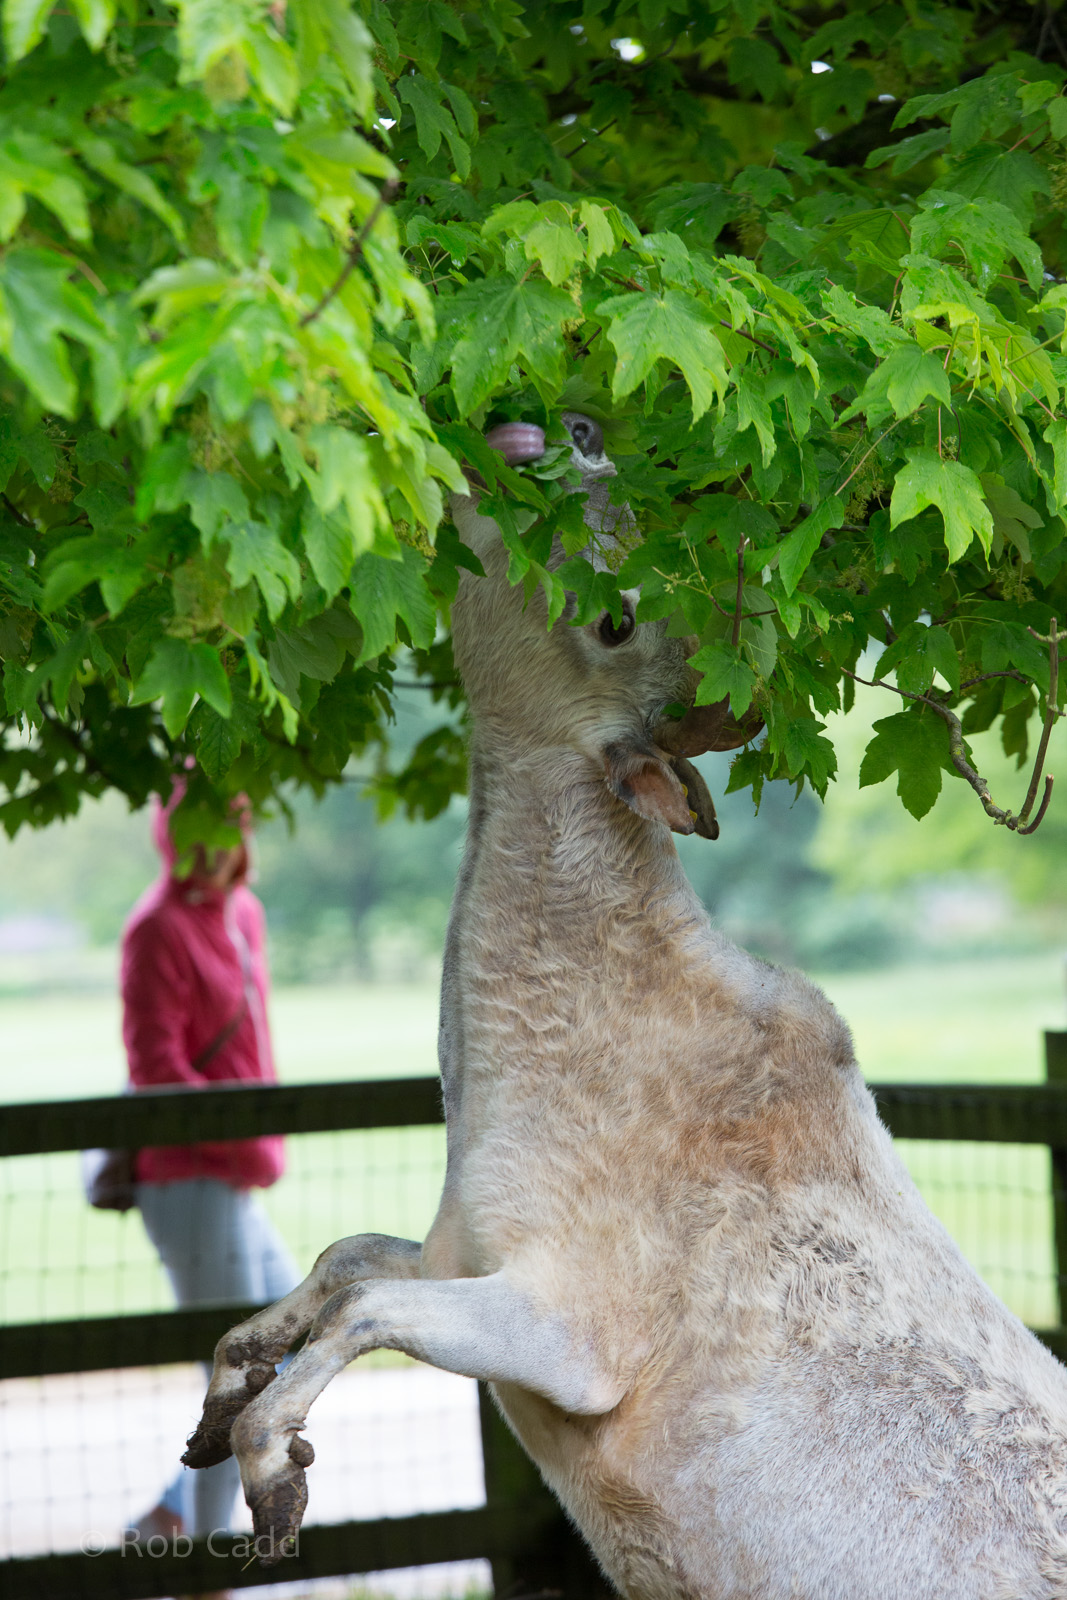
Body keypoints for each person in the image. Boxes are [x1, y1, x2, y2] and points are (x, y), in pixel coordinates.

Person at [122, 778, 299, 1554]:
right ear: (175, 833)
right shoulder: (155, 929)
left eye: (232, 824)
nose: (221, 843)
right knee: (237, 1379)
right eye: (203, 826)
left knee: (292, 1337)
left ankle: (173, 1512)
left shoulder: (243, 913)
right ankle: (206, 1559)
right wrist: (242, 1137)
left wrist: (259, 1137)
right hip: (187, 1179)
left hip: (236, 1170)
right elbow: (156, 1069)